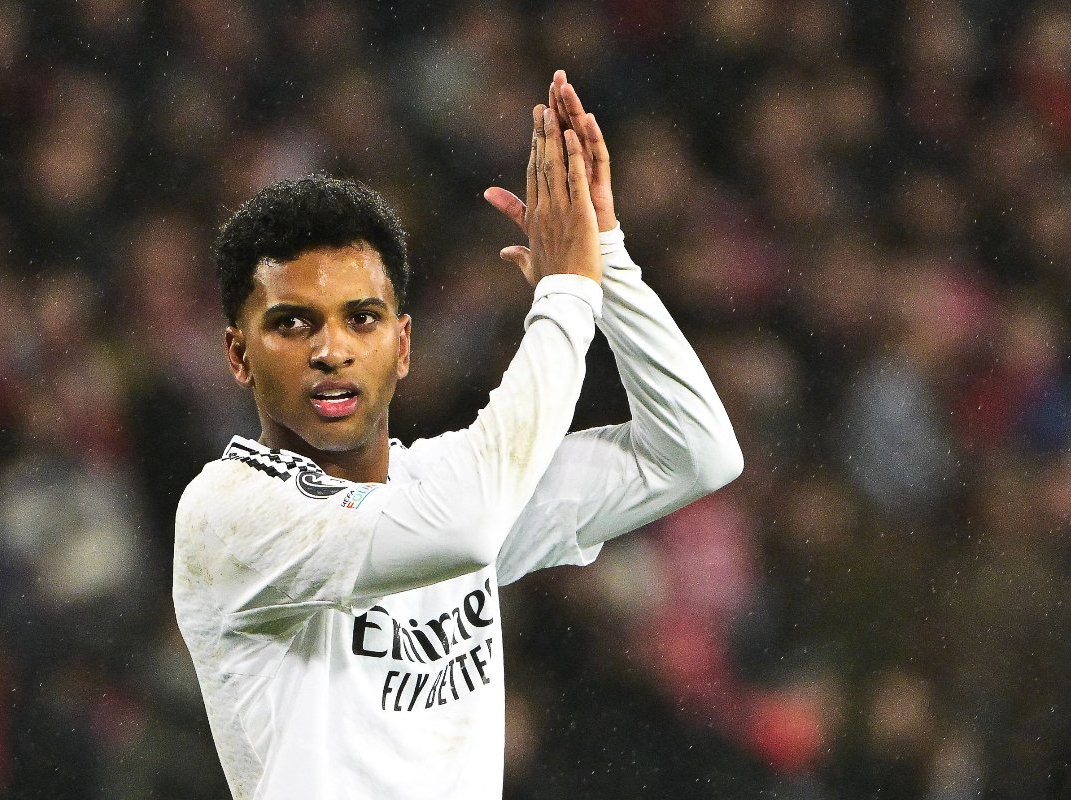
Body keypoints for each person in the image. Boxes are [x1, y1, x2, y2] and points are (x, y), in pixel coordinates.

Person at [172, 71, 743, 800]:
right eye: (292, 323)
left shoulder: (446, 485)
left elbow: (695, 452)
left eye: (362, 317)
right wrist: (567, 293)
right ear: (238, 355)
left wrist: (607, 257)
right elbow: (466, 526)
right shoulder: (229, 513)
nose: (331, 351)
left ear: (403, 345)